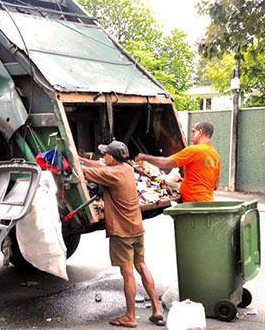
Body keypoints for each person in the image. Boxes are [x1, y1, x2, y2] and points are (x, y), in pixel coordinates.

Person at [80, 140, 164, 327]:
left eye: (106, 154)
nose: (103, 156)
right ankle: (157, 310)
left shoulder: (113, 174)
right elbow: (101, 166)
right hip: (136, 227)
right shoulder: (126, 168)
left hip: (122, 231)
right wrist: (81, 159)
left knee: (127, 273)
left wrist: (72, 163)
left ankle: (130, 317)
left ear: (112, 157)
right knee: (141, 266)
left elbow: (85, 172)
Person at [134, 121, 220, 202]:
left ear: (200, 132)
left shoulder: (194, 150)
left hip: (194, 204)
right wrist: (187, 180)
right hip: (208, 201)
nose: (191, 135)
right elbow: (214, 186)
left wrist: (145, 157)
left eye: (193, 132)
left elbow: (165, 163)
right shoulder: (215, 155)